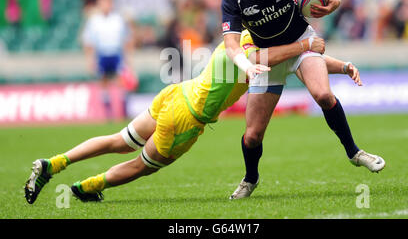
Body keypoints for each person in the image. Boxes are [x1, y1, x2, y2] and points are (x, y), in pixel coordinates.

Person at [24, 30, 359, 204]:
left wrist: (340, 65)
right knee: (141, 164)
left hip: (176, 93)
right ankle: (87, 187)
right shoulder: (258, 50)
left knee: (119, 140)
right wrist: (306, 45)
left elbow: (297, 62)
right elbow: (284, 56)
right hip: (187, 117)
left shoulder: (238, 36)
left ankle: (53, 163)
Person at [221, 0, 385, 200]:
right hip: (268, 59)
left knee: (323, 95)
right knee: (251, 137)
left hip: (301, 42)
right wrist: (246, 66)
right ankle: (250, 179)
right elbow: (231, 44)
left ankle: (355, 152)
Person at [82, 0, 134, 119]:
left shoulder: (118, 19)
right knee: (103, 81)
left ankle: (123, 111)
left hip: (116, 53)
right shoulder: (94, 21)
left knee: (121, 81)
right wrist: (90, 60)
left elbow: (126, 39)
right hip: (102, 53)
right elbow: (89, 42)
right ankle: (108, 112)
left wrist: (128, 58)